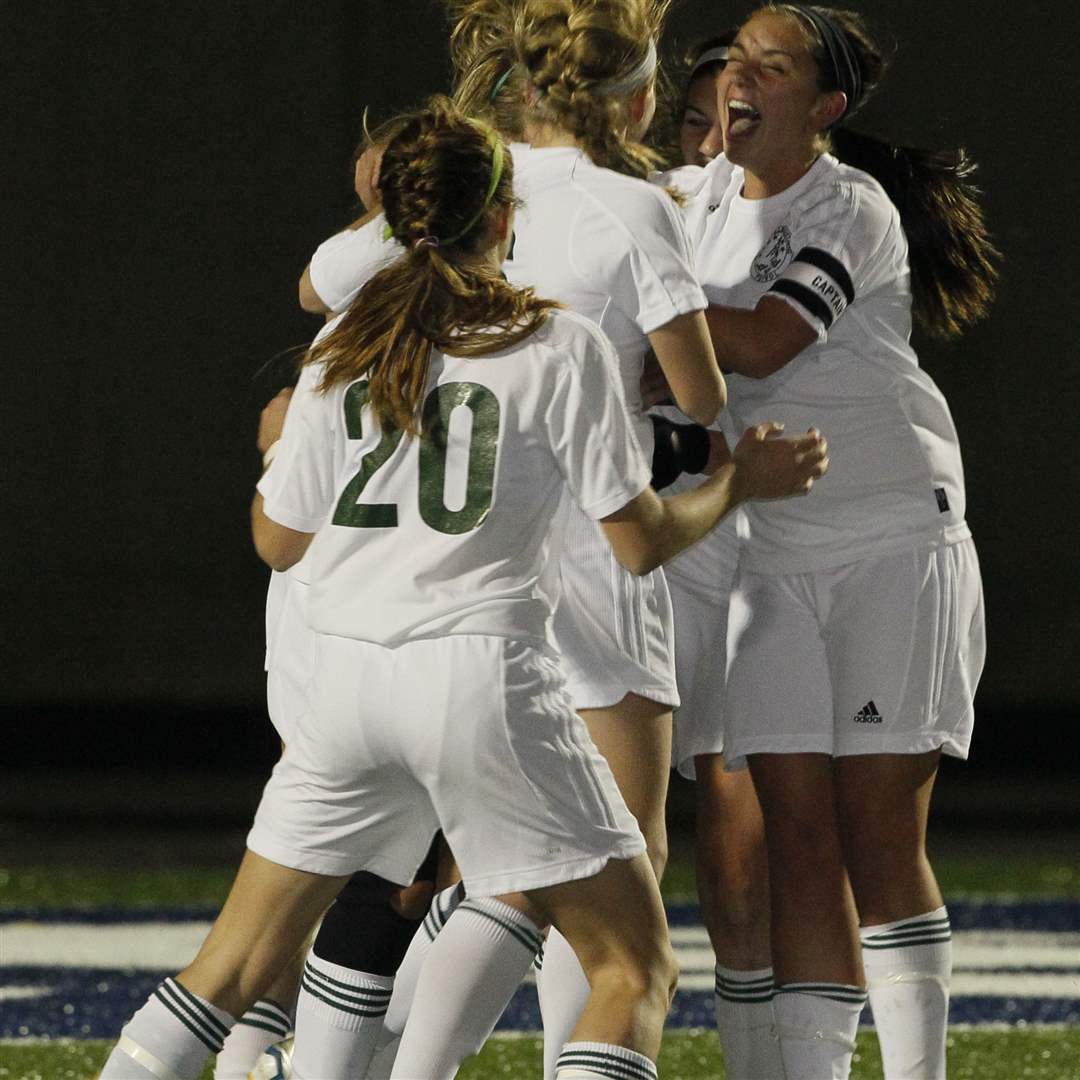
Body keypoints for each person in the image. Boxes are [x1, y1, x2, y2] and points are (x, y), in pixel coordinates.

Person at [97, 96, 828, 1080]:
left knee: (224, 972)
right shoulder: (555, 344)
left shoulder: (341, 347)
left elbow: (276, 539)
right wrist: (741, 482)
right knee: (632, 966)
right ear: (502, 218)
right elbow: (641, 544)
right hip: (478, 677)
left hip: (345, 688)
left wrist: (285, 455)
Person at [670, 5, 998, 1078]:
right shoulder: (692, 200)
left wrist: (638, 307)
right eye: (737, 60)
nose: (740, 79)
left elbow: (765, 341)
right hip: (767, 549)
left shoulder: (848, 205)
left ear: (825, 108)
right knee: (798, 842)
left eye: (774, 67)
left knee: (875, 836)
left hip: (888, 541)